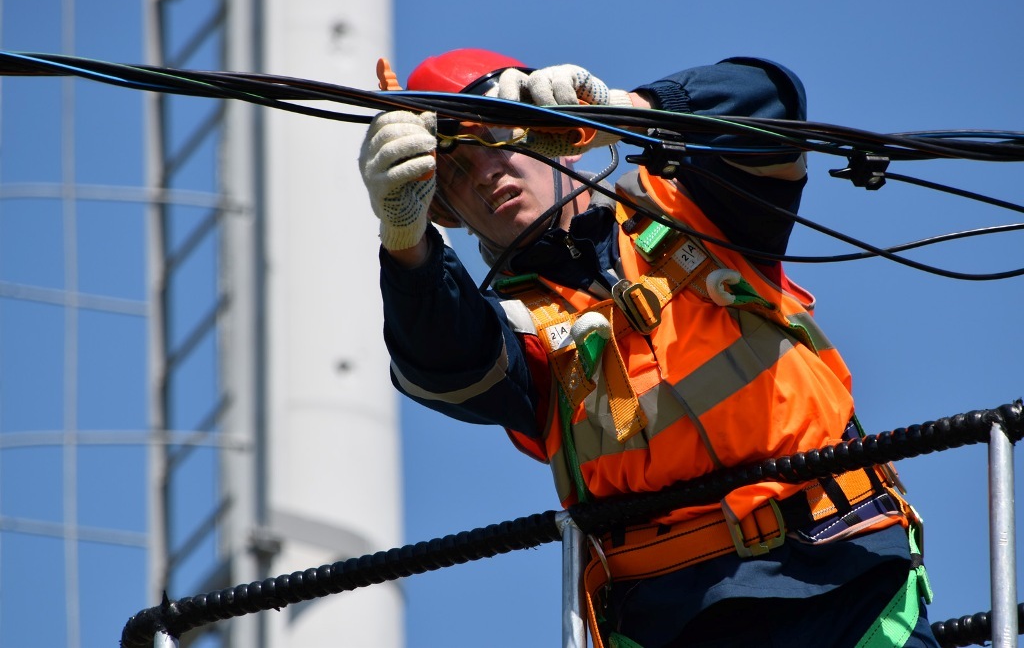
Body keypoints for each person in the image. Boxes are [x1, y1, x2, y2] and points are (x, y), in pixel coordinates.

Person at [359, 48, 939, 648]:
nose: (483, 173)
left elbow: (769, 100)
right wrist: (405, 240)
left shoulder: (694, 210)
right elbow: (441, 359)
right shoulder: (512, 327)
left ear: (566, 139)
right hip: (671, 617)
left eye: (498, 136)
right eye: (453, 170)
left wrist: (624, 106)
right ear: (447, 209)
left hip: (844, 574)